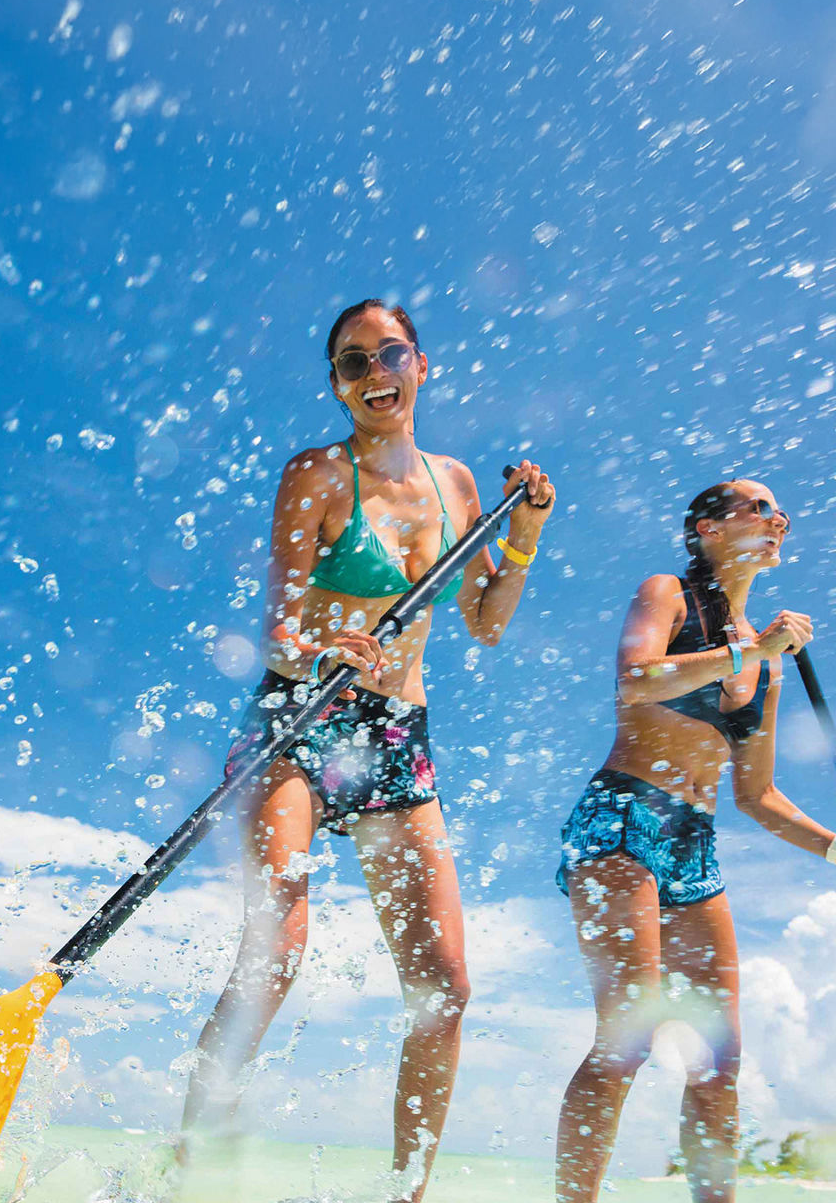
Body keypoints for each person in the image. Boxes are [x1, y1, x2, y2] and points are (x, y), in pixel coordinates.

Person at [179, 298, 556, 1203]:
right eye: (352, 364)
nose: (372, 373)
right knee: (276, 952)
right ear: (340, 387)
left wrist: (528, 533)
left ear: (421, 365)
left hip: (396, 737)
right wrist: (318, 651)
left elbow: (485, 623)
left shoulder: (462, 487)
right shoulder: (315, 474)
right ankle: (187, 1176)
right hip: (297, 722)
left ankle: (406, 1195)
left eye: (388, 354)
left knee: (446, 991)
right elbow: (276, 629)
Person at [554, 479, 836, 1203]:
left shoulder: (767, 662)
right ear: (706, 529)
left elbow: (758, 797)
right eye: (757, 507)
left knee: (721, 1059)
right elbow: (635, 680)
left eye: (780, 511)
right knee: (630, 1038)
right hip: (621, 822)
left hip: (695, 843)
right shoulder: (668, 594)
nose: (779, 519)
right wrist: (748, 654)